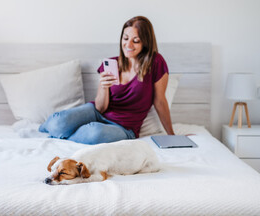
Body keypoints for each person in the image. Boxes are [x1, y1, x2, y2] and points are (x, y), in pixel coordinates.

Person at [39, 16, 175, 144]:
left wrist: (171, 134)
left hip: (124, 127)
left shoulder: (156, 62)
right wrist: (103, 86)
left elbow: (160, 101)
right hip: (97, 112)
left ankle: (58, 136)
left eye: (136, 40)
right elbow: (100, 107)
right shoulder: (111, 64)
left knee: (94, 132)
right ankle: (51, 129)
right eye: (125, 38)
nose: (128, 44)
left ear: (145, 43)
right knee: (57, 122)